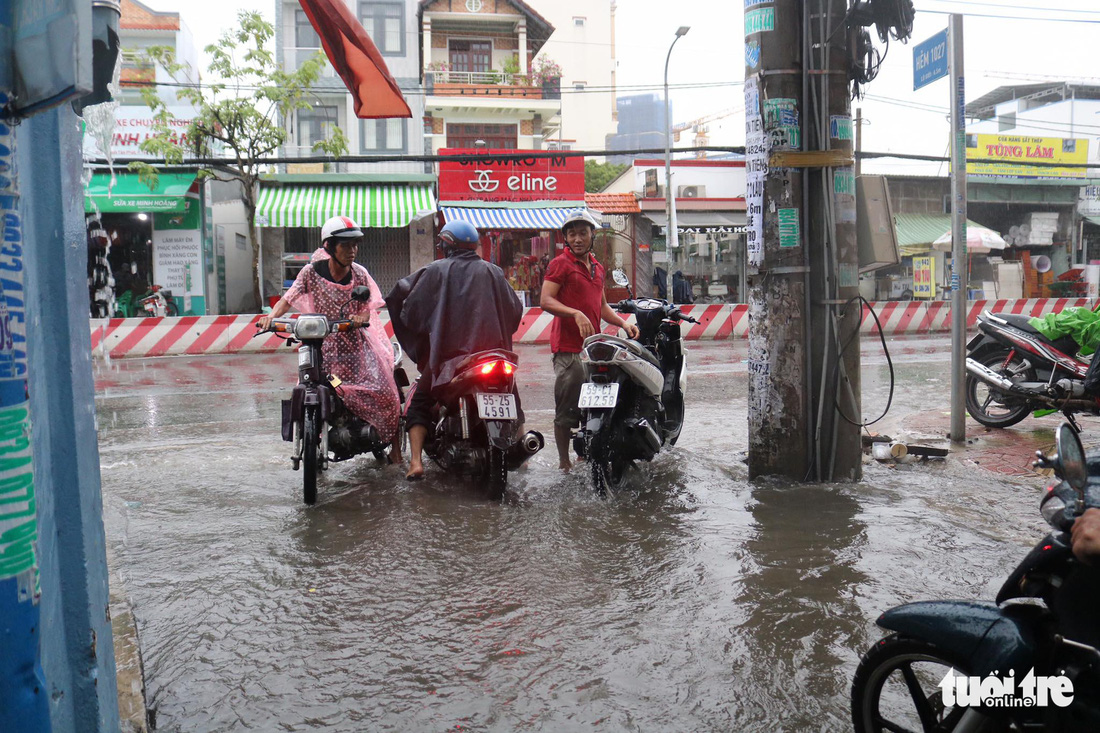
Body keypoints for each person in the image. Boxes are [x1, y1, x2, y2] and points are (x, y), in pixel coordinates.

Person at [385, 220, 524, 481]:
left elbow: (410, 312)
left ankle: (415, 462)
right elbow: (514, 312)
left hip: (449, 361)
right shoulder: (494, 272)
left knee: (419, 403)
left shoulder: (434, 271)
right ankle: (521, 449)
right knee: (512, 396)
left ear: (446, 246)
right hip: (494, 358)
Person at [258, 216, 402, 462]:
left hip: (356, 344)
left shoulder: (359, 273)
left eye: (355, 245)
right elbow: (288, 299)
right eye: (346, 245)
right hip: (320, 345)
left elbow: (369, 305)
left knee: (387, 392)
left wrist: (361, 317)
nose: (352, 251)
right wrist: (270, 317)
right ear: (329, 246)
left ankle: (397, 452)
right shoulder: (310, 273)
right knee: (306, 387)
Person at [540, 209, 639, 471]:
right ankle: (564, 462)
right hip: (568, 350)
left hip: (592, 351)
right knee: (566, 410)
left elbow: (602, 305)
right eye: (572, 234)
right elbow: (545, 300)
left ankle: (586, 453)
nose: (577, 238)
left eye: (583, 233)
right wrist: (575, 313)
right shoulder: (559, 264)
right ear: (566, 238)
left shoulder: (597, 267)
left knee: (592, 406)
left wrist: (624, 323)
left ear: (592, 235)